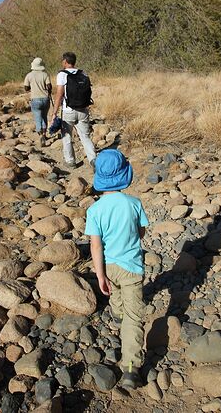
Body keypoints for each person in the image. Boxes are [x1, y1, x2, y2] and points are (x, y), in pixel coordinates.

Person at [85, 149, 149, 389]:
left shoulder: (95, 210)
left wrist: (100, 274)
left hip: (109, 267)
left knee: (115, 292)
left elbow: (95, 245)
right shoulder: (134, 204)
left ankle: (118, 313)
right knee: (135, 318)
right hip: (132, 267)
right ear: (125, 175)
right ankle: (131, 368)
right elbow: (141, 233)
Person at [50, 52, 96, 168]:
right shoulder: (83, 73)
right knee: (85, 137)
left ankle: (70, 161)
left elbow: (59, 94)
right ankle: (93, 160)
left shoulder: (62, 75)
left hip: (68, 111)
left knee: (67, 137)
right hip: (83, 110)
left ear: (65, 62)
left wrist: (54, 112)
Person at [24, 57, 52, 147]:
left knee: (37, 117)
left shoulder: (29, 75)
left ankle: (40, 135)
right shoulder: (45, 75)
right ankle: (44, 134)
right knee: (44, 117)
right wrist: (48, 92)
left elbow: (26, 88)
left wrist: (32, 88)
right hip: (45, 98)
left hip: (35, 99)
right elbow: (49, 86)